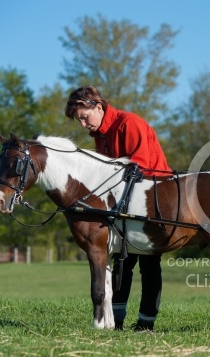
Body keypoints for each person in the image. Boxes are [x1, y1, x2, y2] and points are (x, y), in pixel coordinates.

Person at [64, 86, 170, 332]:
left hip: (151, 201)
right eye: (78, 119)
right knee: (123, 262)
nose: (82, 124)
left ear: (98, 107)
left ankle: (146, 324)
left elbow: (140, 167)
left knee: (149, 264)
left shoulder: (129, 124)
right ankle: (118, 320)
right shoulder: (100, 135)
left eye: (84, 116)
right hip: (123, 203)